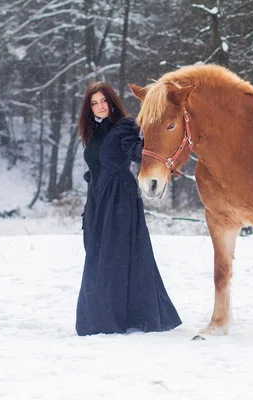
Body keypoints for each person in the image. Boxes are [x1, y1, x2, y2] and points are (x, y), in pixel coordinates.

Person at [75, 81, 182, 336]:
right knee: (97, 256)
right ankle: (107, 315)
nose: (100, 106)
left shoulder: (125, 127)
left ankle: (114, 320)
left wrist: (164, 161)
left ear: (112, 102)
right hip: (97, 199)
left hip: (120, 198)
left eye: (103, 101)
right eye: (94, 103)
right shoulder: (91, 133)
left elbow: (139, 151)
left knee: (117, 257)